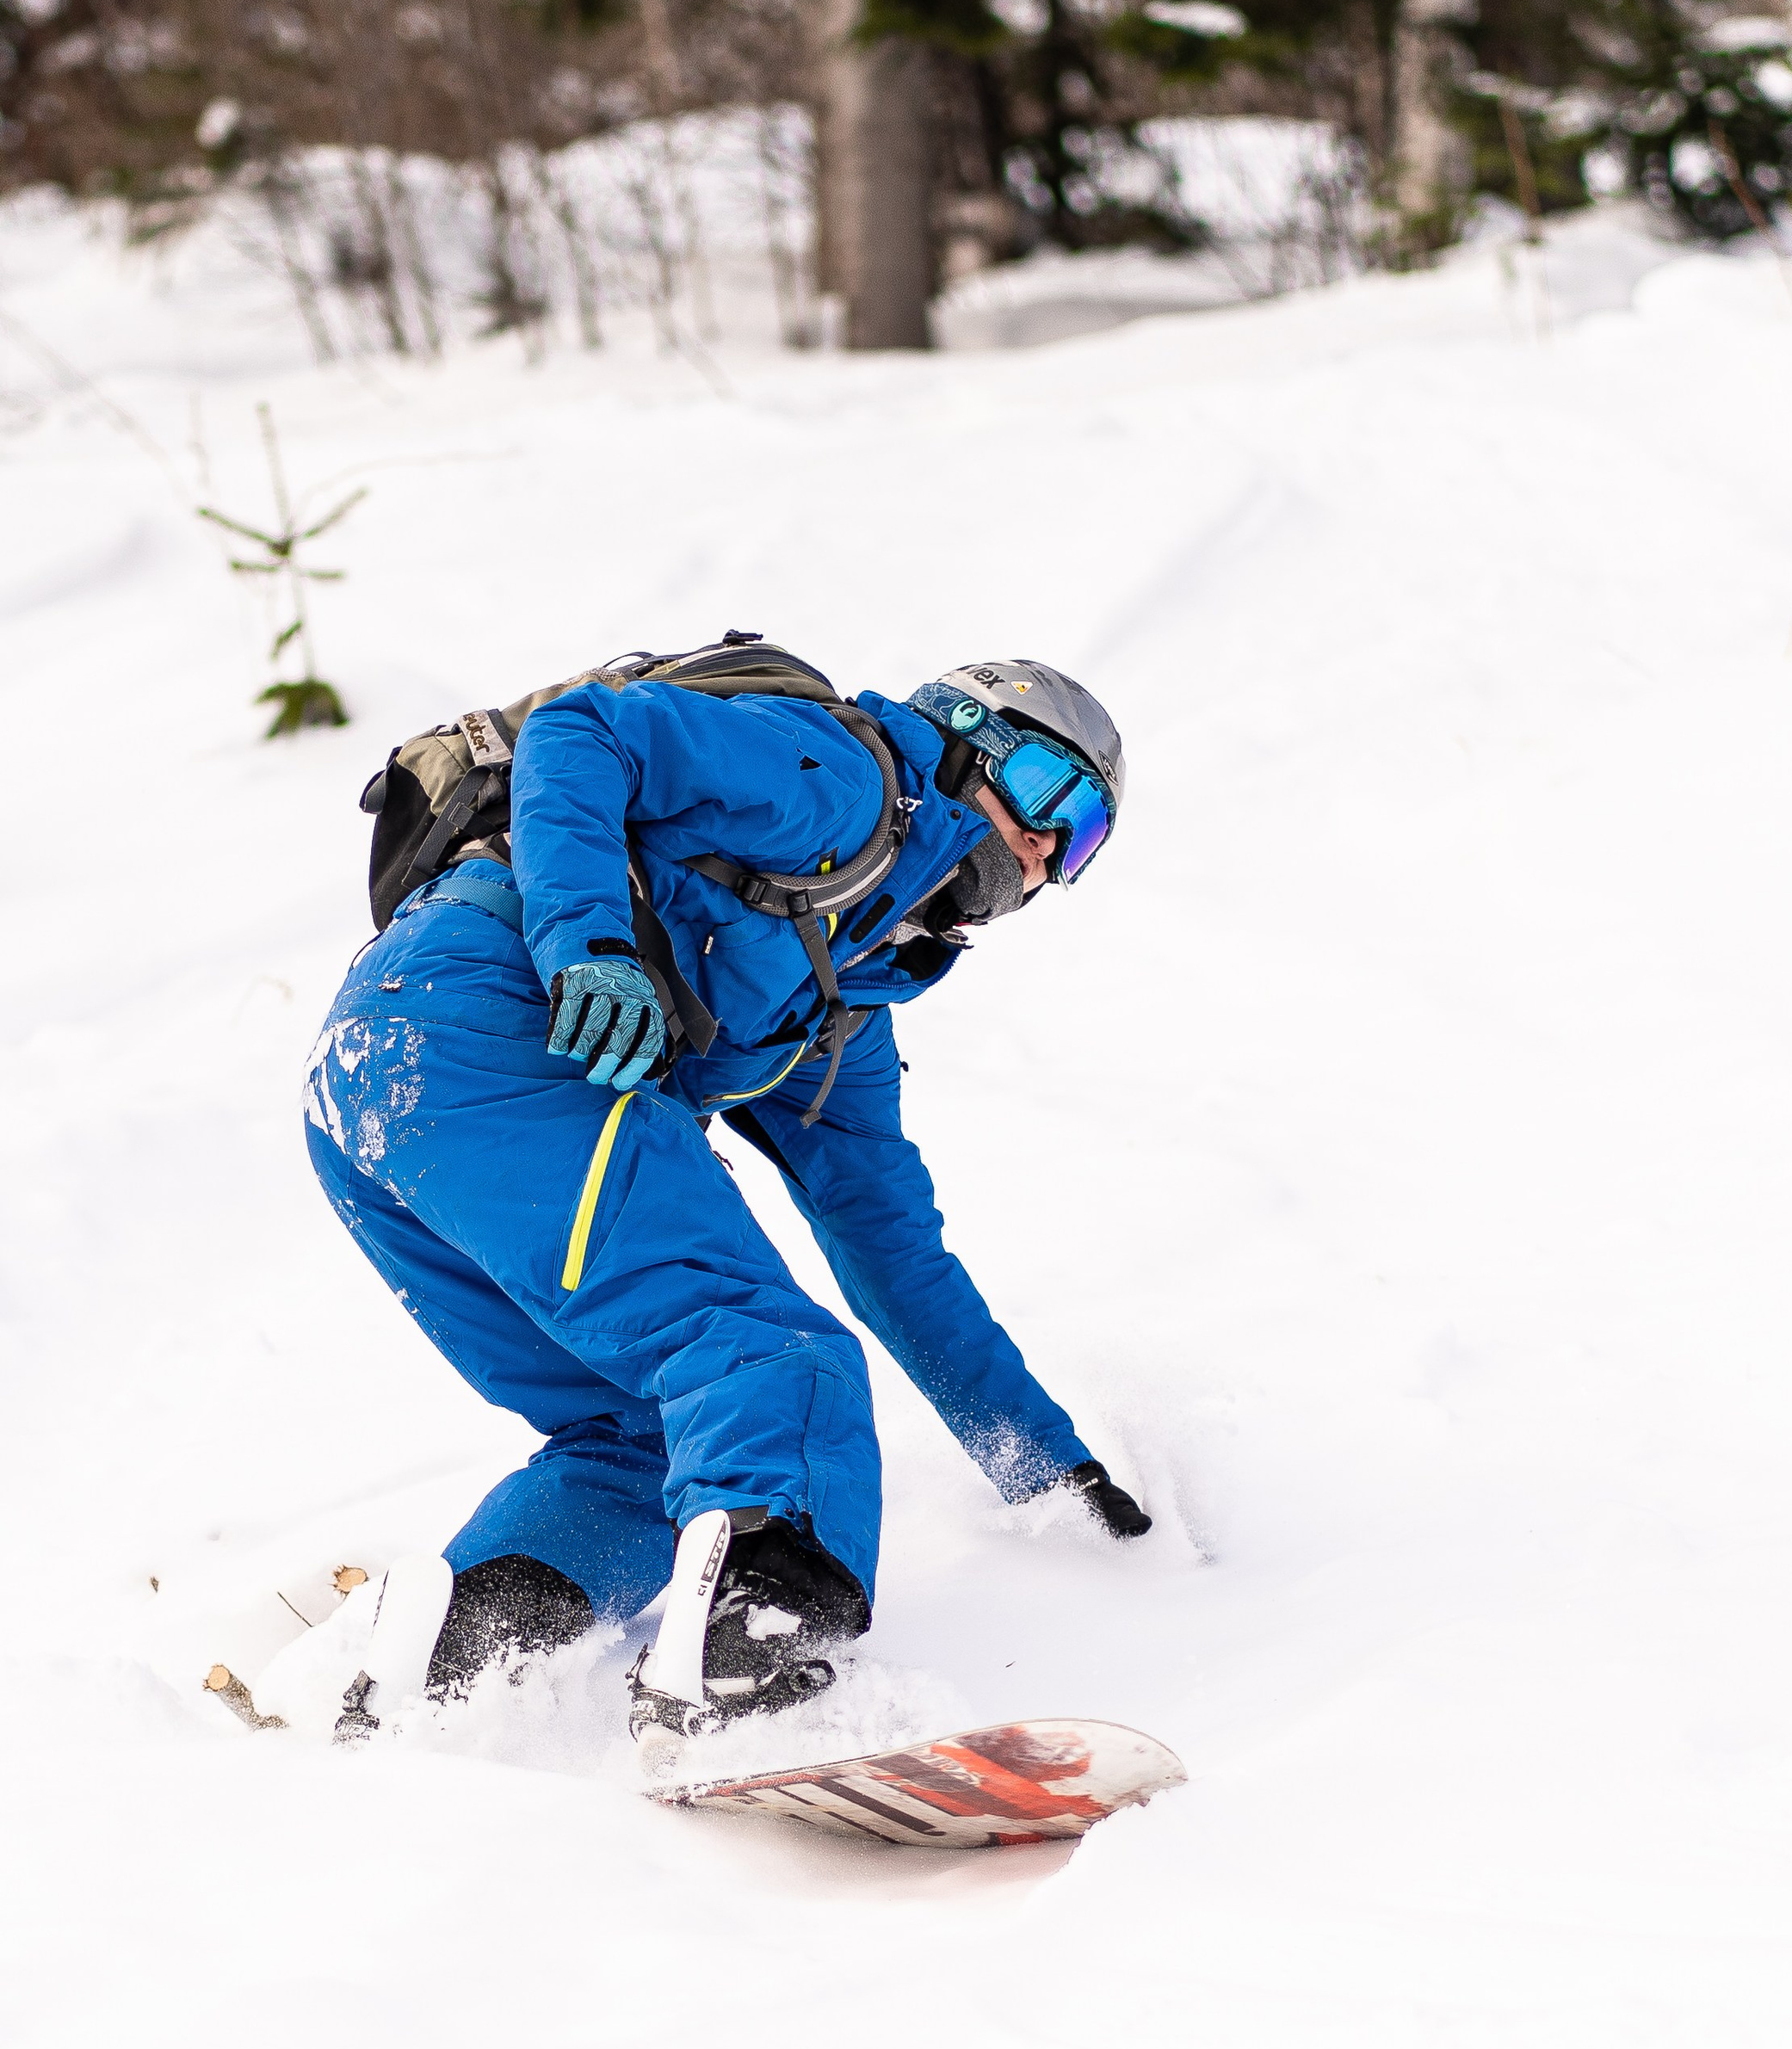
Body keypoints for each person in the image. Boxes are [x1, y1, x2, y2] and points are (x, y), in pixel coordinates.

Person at [285, 652, 1147, 1751]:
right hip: (488, 1022)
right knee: (767, 1356)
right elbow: (582, 734)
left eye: (1079, 842)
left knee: (637, 1439)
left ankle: (444, 1673)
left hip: (369, 1092)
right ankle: (742, 1667)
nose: (1042, 849)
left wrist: (1044, 1466)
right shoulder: (840, 775)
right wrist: (587, 945)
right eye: (1046, 794)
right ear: (968, 738)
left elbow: (895, 1252)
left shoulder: (840, 1009)